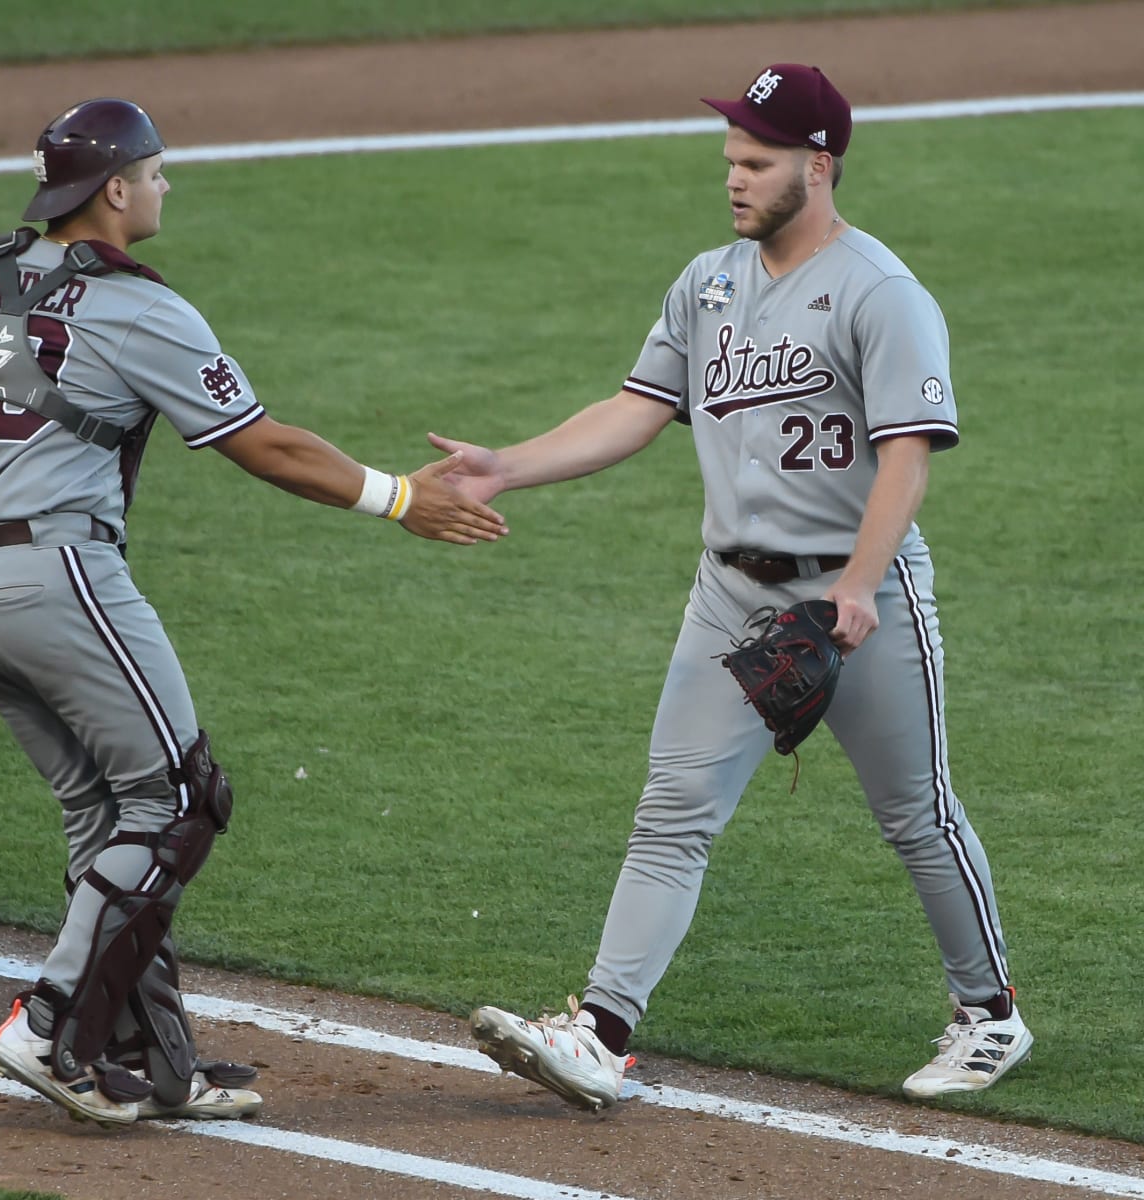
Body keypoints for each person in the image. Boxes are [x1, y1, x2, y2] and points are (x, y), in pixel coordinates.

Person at [437, 63, 1032, 1110]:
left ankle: (990, 1015)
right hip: (731, 595)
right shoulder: (708, 282)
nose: (734, 178)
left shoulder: (882, 293)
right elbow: (636, 407)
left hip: (863, 603)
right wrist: (507, 463)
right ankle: (601, 1033)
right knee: (672, 811)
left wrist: (858, 585)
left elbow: (907, 456)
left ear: (819, 164)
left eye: (755, 162)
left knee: (916, 813)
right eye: (730, 160)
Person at [0, 97, 507, 1127]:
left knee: (111, 814)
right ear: (113, 190)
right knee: (180, 799)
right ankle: (50, 1024)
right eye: (154, 173)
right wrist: (398, 497)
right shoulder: (142, 309)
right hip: (60, 576)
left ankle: (152, 1068)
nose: (164, 186)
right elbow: (264, 443)